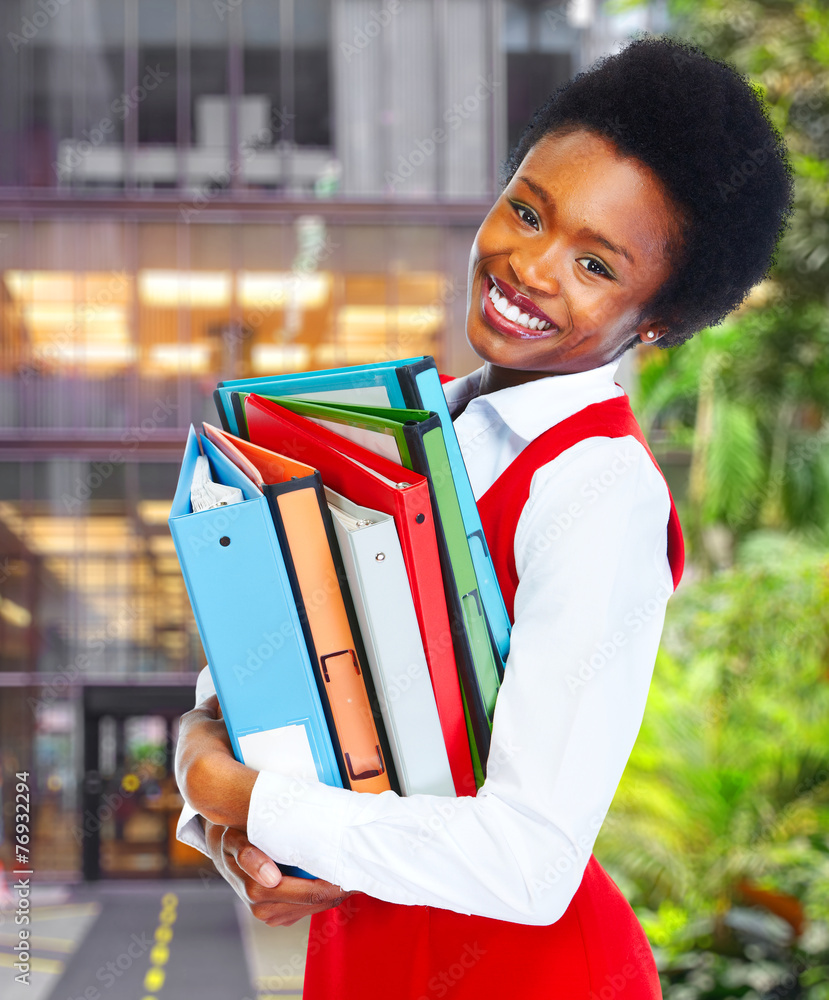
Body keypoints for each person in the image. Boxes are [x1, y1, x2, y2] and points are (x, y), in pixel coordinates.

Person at [174, 36, 792, 999]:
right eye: (527, 210)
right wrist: (226, 813)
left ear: (657, 320)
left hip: (526, 974)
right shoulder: (408, 429)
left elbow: (529, 861)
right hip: (367, 955)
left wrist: (254, 800)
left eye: (594, 263)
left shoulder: (599, 493)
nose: (531, 267)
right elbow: (281, 681)